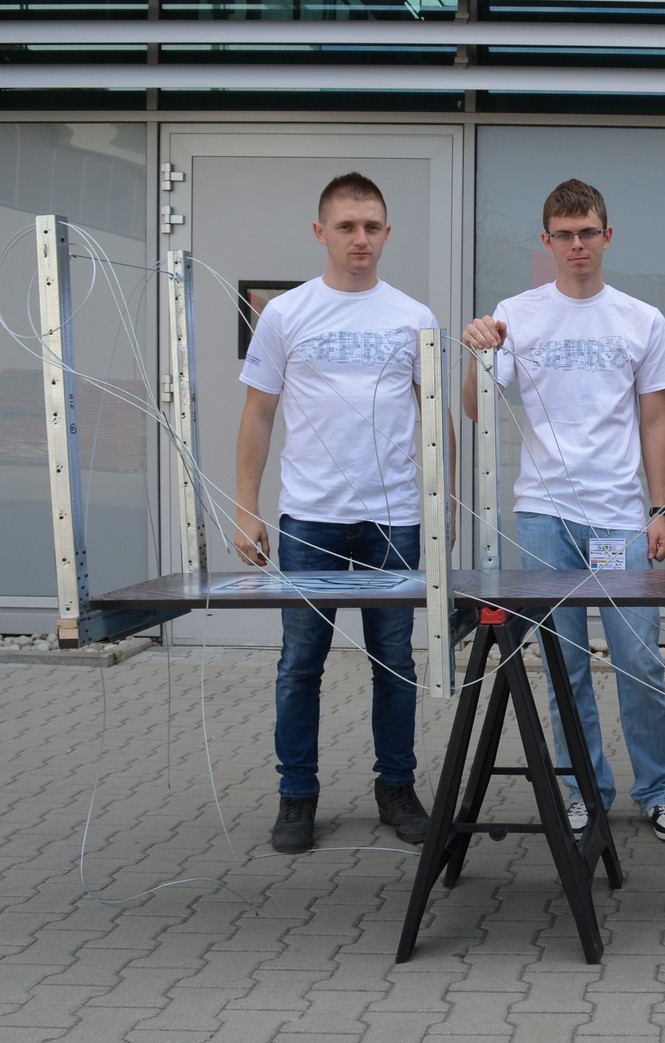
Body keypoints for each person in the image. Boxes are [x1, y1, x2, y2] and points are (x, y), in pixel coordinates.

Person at [460, 178, 665, 842]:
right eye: (564, 235)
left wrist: (660, 509)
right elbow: (476, 409)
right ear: (547, 241)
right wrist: (478, 353)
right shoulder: (516, 313)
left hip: (619, 516)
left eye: (588, 232)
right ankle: (582, 789)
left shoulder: (641, 318)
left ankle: (660, 790)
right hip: (543, 516)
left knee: (639, 660)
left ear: (607, 236)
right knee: (564, 665)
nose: (577, 245)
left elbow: (655, 420)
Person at [234, 171, 445, 854]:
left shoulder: (414, 317)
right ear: (320, 231)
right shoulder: (286, 314)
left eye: (372, 226)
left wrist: (440, 510)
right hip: (310, 519)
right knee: (301, 662)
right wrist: (246, 508)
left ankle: (397, 788)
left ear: (388, 232)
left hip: (395, 520)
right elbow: (258, 413)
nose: (361, 238)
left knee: (395, 661)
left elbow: (435, 418)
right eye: (347, 226)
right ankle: (296, 795)